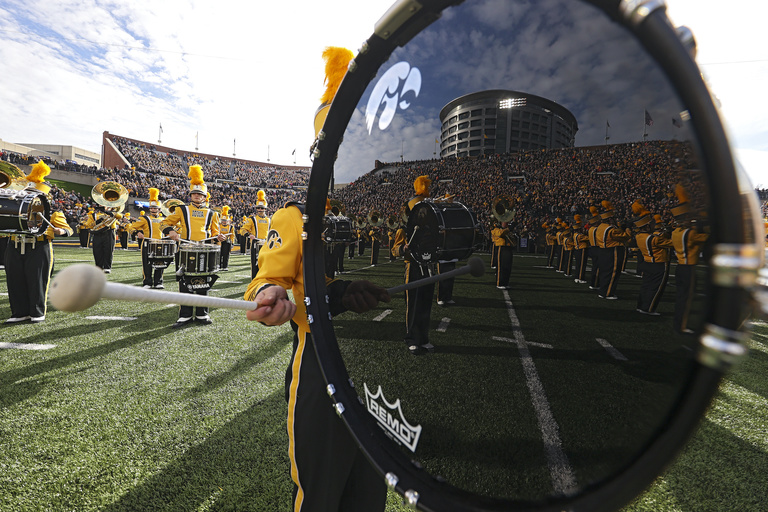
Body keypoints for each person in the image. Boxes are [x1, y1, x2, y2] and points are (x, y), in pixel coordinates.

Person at [4, 161, 73, 323]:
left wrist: (60, 231)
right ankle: (19, 313)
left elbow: (68, 230)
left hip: (39, 246)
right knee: (14, 280)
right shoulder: (15, 210)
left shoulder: (54, 213)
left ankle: (36, 312)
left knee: (37, 281)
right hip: (14, 245)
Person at [161, 165, 226, 328]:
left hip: (205, 251)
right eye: (195, 194)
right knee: (185, 281)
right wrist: (171, 232)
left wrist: (220, 237)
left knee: (204, 281)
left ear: (205, 197)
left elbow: (215, 232)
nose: (197, 196)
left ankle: (202, 313)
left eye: (200, 194)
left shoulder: (213, 213)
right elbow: (164, 223)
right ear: (191, 195)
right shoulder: (181, 209)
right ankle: (185, 314)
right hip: (185, 250)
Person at [392, 175, 437, 355]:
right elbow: (395, 251)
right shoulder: (404, 229)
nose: (423, 215)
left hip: (428, 266)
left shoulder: (429, 230)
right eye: (419, 213)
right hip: (413, 267)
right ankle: (412, 338)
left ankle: (423, 338)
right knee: (414, 304)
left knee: (426, 302)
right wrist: (403, 249)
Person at [670, 186, 709, 333]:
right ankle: (683, 326)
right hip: (689, 268)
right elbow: (707, 237)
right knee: (687, 299)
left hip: (680, 267)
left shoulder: (675, 232)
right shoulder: (691, 234)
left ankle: (678, 323)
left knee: (681, 297)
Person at [632, 202, 674, 315]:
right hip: (658, 264)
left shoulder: (639, 236)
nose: (653, 225)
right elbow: (671, 243)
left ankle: (641, 306)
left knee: (646, 286)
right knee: (656, 288)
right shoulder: (654, 239)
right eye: (651, 224)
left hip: (647, 263)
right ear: (646, 226)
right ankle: (649, 309)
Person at [129, 188, 169, 289]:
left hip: (160, 244)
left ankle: (158, 282)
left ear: (159, 209)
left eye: (155, 208)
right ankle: (147, 282)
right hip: (147, 243)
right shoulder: (145, 219)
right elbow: (131, 227)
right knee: (147, 264)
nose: (153, 210)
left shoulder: (164, 220)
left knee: (160, 263)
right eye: (151, 208)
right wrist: (137, 232)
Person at [84, 199, 123, 274]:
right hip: (97, 233)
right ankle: (98, 267)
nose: (102, 205)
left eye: (104, 204)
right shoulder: (93, 215)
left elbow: (119, 216)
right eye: (100, 204)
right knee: (97, 251)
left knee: (108, 250)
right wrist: (98, 221)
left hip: (109, 233)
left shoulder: (113, 213)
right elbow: (89, 225)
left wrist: (108, 212)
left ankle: (107, 267)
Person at [239, 190, 270, 280]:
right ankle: (255, 282)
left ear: (265, 209)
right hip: (255, 244)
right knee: (255, 265)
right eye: (258, 208)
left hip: (267, 245)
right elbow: (243, 229)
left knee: (266, 265)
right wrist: (249, 235)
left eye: (262, 208)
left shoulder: (270, 220)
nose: (260, 210)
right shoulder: (252, 219)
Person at [492, 220, 514, 289]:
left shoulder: (507, 231)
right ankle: (500, 283)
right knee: (501, 266)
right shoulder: (496, 229)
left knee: (507, 267)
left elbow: (513, 240)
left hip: (508, 247)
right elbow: (500, 234)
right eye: (505, 222)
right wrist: (508, 229)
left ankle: (506, 282)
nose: (506, 224)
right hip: (501, 247)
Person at [218, 205, 235, 271]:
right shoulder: (218, 225)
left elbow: (232, 235)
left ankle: (225, 266)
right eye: (223, 220)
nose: (224, 222)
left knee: (226, 255)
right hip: (219, 241)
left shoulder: (231, 227)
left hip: (227, 242)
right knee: (219, 254)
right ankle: (218, 266)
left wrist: (232, 243)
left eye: (225, 220)